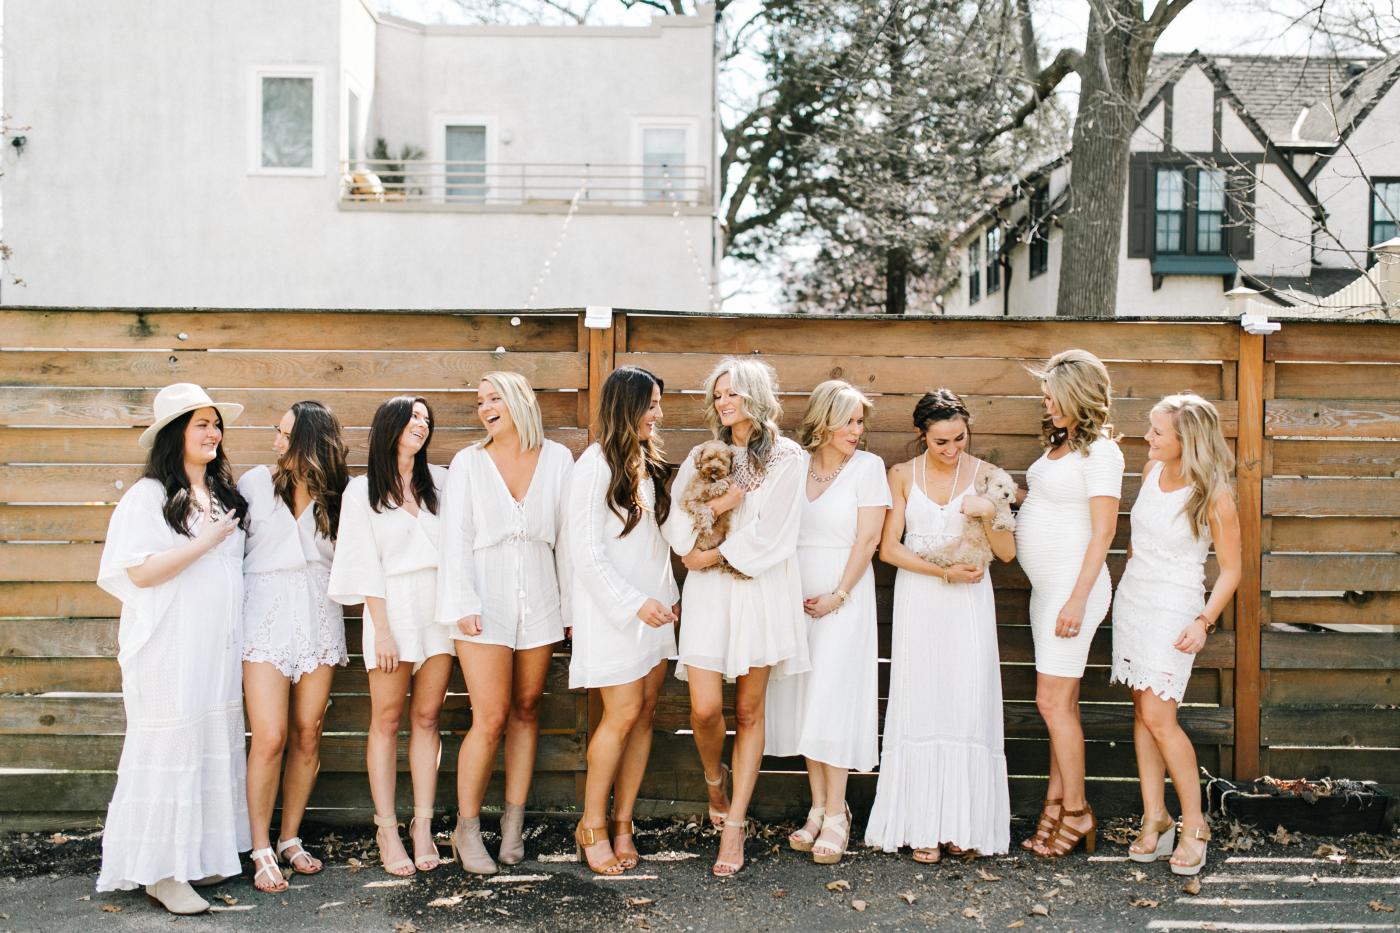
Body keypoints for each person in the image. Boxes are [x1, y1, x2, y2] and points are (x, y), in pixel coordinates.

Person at [95, 383, 252, 914]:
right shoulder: (148, 497)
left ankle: (197, 855)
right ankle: (161, 872)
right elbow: (138, 572)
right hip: (170, 648)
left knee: (208, 739)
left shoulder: (223, 494)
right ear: (174, 434)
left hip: (215, 650)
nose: (213, 433)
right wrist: (203, 542)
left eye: (216, 423)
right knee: (172, 743)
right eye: (201, 424)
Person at [663, 357, 809, 876]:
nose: (723, 402)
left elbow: (777, 532)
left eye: (733, 393)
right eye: (718, 395)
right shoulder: (702, 455)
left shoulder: (787, 457)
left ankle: (735, 825)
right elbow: (677, 526)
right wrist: (718, 510)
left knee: (748, 712)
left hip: (758, 589)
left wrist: (714, 556)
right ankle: (714, 779)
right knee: (705, 710)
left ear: (756, 397)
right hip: (709, 595)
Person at [864, 389, 1016, 862]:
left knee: (966, 704)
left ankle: (961, 824)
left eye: (959, 439)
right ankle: (922, 824)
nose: (951, 450)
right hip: (921, 598)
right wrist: (942, 572)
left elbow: (1007, 554)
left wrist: (990, 513)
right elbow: (889, 549)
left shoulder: (988, 476)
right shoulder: (901, 475)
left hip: (970, 604)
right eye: (940, 442)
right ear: (921, 435)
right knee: (922, 702)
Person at [436, 372, 574, 874]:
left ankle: (513, 824)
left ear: (520, 401)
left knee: (528, 709)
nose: (485, 408)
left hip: (541, 596)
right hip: (483, 598)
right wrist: (462, 602)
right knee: (490, 716)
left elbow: (568, 540)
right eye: (480, 401)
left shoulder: (558, 459)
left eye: (494, 398)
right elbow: (454, 538)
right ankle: (467, 829)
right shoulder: (468, 463)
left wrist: (570, 610)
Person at [1112, 393, 1241, 877]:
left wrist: (1202, 621)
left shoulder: (1214, 495)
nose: (1147, 436)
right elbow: (1137, 543)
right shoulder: (1150, 472)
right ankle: (1155, 816)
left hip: (1174, 609)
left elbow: (1232, 571)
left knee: (1160, 716)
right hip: (1134, 601)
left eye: (1157, 431)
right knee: (1142, 712)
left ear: (1187, 439)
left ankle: (1195, 825)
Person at [329, 396, 453, 877]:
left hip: (437, 611)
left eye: (425, 418)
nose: (421, 424)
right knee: (385, 719)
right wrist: (381, 631)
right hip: (391, 610)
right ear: (390, 426)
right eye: (412, 417)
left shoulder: (439, 481)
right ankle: (386, 829)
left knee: (427, 718)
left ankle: (422, 825)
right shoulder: (361, 491)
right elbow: (361, 563)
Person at [766, 380, 889, 866]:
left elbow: (868, 540)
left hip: (844, 600)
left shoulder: (868, 468)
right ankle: (817, 807)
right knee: (806, 701)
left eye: (860, 421)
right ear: (823, 421)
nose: (856, 430)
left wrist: (838, 594)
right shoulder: (795, 465)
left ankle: (838, 813)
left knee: (833, 700)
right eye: (847, 421)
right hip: (795, 600)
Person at [567, 366, 680, 875]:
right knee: (622, 713)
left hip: (657, 610)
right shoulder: (594, 466)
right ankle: (591, 824)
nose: (659, 414)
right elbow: (586, 553)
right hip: (615, 612)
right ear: (627, 406)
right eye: (651, 405)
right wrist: (633, 602)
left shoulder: (648, 460)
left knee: (646, 712)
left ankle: (623, 823)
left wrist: (667, 598)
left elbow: (656, 542)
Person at [1016, 349, 1124, 858]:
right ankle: (1055, 804)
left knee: (1051, 703)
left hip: (1073, 590)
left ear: (1079, 396)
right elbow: (1048, 505)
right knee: (1063, 704)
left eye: (1054, 396)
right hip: (1049, 591)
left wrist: (1078, 599)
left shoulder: (1102, 453)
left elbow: (1104, 532)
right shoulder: (1062, 446)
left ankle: (1077, 811)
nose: (1047, 404)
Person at [238, 401, 350, 892]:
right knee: (269, 735)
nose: (276, 441)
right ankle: (259, 846)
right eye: (277, 431)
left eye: (285, 434)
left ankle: (289, 837)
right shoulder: (254, 485)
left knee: (309, 732)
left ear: (308, 441)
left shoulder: (339, 495)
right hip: (264, 614)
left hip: (319, 613)